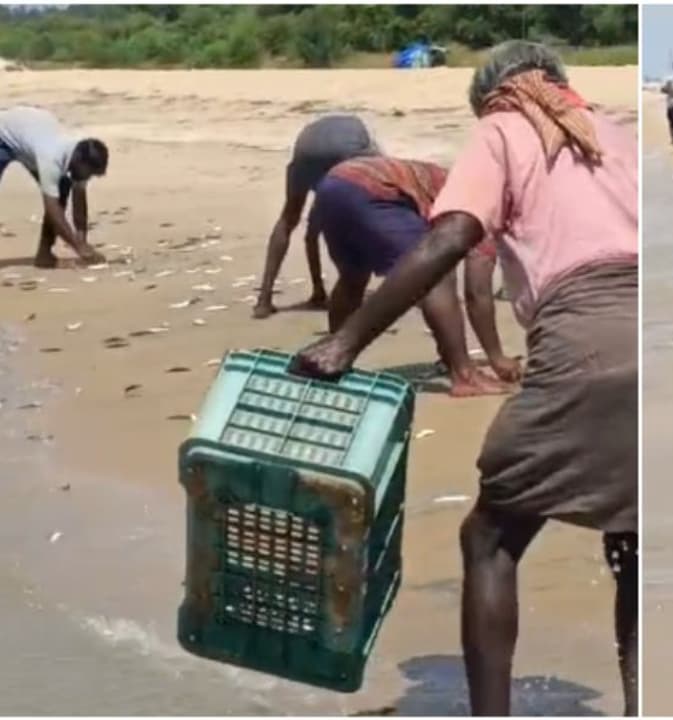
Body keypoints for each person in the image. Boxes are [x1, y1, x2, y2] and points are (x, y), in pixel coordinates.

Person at [288, 41, 638, 716]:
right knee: (629, 537)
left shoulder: (504, 128)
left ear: (493, 95)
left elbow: (450, 240)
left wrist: (346, 343)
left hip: (587, 337)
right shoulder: (615, 133)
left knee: (490, 539)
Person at [310, 155, 517, 397]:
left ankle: (330, 360)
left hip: (335, 184)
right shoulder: (485, 208)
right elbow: (477, 293)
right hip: (378, 191)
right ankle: (465, 375)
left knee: (353, 276)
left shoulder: (455, 181)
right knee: (437, 277)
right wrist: (497, 357)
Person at [253, 114, 380, 319]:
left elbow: (311, 235)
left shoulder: (321, 183)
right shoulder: (365, 148)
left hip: (306, 149)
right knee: (372, 212)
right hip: (346, 147)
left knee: (288, 218)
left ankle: (264, 301)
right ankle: (409, 286)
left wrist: (318, 290)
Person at [0, 106, 108, 268]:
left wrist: (82, 240)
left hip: (30, 134)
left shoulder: (80, 156)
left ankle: (44, 255)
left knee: (62, 190)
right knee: (56, 199)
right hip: (4, 135)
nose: (88, 178)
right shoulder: (51, 158)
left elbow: (78, 199)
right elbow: (52, 208)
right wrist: (79, 248)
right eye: (89, 173)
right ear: (78, 161)